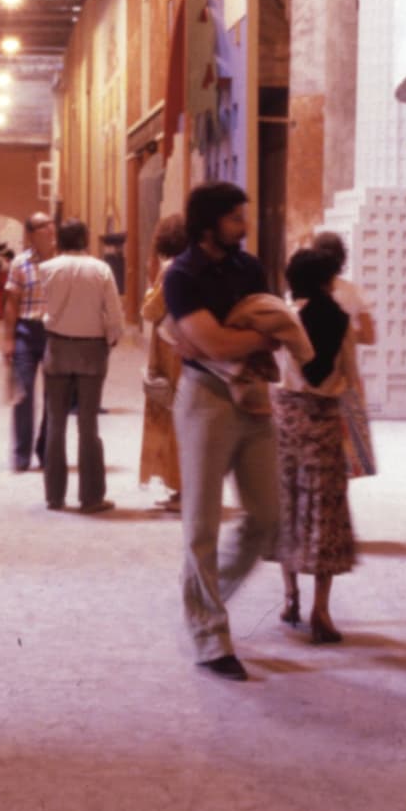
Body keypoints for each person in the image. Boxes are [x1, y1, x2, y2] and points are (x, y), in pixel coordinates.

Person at [162, 182, 279, 681]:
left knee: (270, 514)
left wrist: (234, 339)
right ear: (209, 223)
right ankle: (211, 636)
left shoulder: (248, 268)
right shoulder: (182, 274)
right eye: (234, 218)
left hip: (252, 397)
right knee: (202, 523)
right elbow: (213, 343)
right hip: (205, 399)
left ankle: (203, 600)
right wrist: (255, 336)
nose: (244, 226)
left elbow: (232, 336)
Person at [276, 245, 358, 644]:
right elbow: (351, 377)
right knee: (324, 511)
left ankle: (290, 595)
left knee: (288, 505)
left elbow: (270, 369)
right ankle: (321, 609)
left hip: (287, 419)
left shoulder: (285, 318)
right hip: (324, 419)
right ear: (328, 280)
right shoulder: (341, 321)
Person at [38, 219, 126, 513]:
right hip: (91, 350)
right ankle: (91, 497)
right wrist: (111, 340)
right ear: (86, 240)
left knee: (55, 423)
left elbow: (44, 308)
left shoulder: (47, 269)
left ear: (59, 241)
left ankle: (54, 495)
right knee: (88, 426)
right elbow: (114, 314)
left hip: (57, 348)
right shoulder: (101, 270)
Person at [2, 213, 58, 472]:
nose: (50, 229)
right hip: (26, 331)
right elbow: (12, 303)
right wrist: (8, 339)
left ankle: (46, 450)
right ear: (31, 233)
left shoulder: (63, 262)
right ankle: (21, 453)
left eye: (51, 224)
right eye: (44, 225)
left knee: (53, 396)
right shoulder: (20, 263)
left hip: (54, 333)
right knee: (23, 395)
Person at [138, 213, 187, 513]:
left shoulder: (170, 269)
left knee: (170, 415)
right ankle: (184, 485)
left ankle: (180, 486)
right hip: (190, 347)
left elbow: (151, 309)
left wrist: (148, 281)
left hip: (170, 352)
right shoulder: (196, 266)